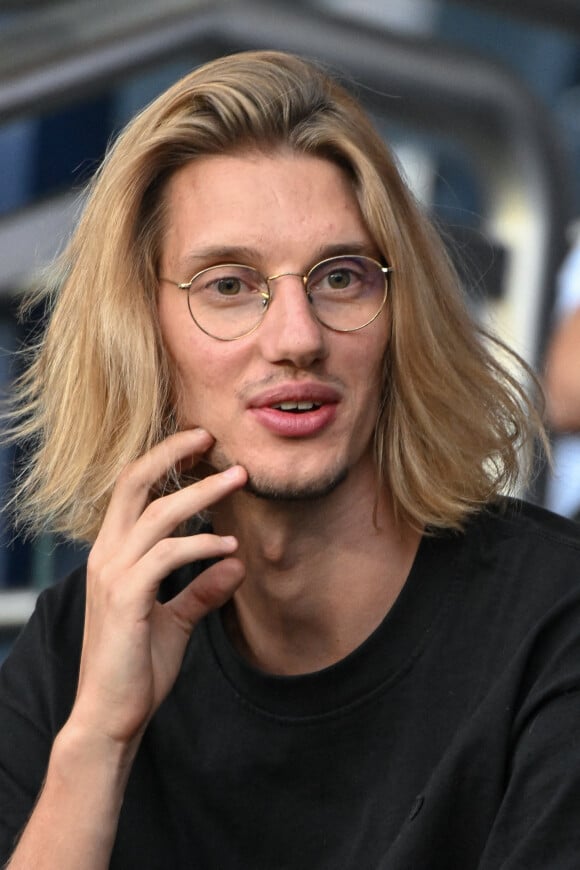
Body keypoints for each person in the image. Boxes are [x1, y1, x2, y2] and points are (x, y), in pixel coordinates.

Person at [0, 50, 579, 870]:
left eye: (340, 277)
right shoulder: (83, 644)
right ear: (144, 335)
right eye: (229, 285)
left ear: (396, 317)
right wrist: (99, 738)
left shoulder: (553, 623)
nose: (298, 337)